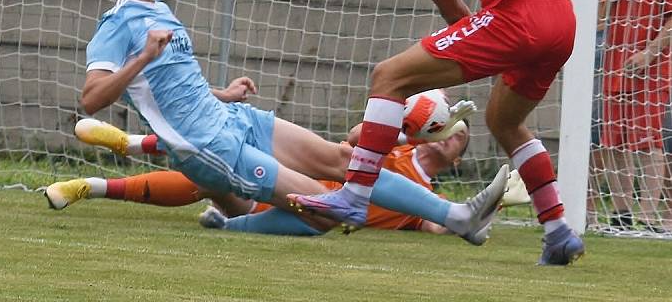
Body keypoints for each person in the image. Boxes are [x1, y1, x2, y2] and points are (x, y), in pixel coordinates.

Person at [64, 0, 509, 242]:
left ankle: (458, 216)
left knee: (345, 160)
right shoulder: (117, 25)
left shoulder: (161, 11)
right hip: (208, 145)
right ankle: (232, 226)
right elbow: (91, 99)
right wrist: (143, 55)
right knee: (327, 212)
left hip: (231, 117)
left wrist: (223, 93)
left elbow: (169, 84)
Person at [289, 0, 589, 266]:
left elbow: (451, 11)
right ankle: (558, 231)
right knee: (504, 121)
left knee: (389, 77)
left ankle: (354, 195)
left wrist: (482, 39)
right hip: (561, 19)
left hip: (515, 13)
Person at [46, 115, 532, 237]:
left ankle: (104, 176)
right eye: (447, 132)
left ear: (459, 160)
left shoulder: (417, 190)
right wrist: (412, 125)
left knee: (213, 175)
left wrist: (497, 204)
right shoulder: (396, 152)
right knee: (210, 167)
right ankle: (106, 171)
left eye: (458, 139)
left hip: (304, 203)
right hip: (301, 182)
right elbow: (359, 134)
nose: (450, 139)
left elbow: (425, 227)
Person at [599, 0, 672, 232]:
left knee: (648, 139)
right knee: (616, 137)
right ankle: (621, 212)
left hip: (651, 63)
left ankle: (648, 214)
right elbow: (601, 13)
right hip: (615, 57)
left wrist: (650, 52)